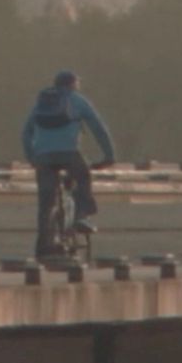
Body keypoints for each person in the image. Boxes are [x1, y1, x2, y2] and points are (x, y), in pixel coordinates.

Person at [21, 70, 117, 256]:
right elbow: (99, 128)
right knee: (83, 176)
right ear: (73, 84)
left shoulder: (41, 102)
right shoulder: (77, 100)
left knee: (46, 203)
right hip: (69, 154)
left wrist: (32, 157)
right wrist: (109, 156)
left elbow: (26, 133)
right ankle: (81, 215)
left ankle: (45, 246)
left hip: (43, 157)